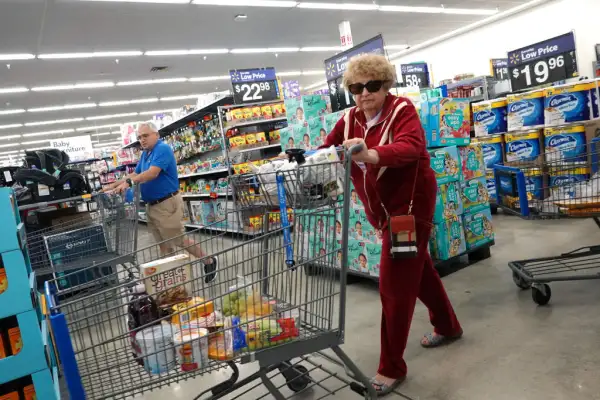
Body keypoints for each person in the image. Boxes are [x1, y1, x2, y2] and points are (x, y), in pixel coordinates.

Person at [321, 54, 462, 396]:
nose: (364, 94)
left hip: (409, 210)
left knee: (394, 285)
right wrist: (299, 156)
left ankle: (391, 367)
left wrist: (371, 154)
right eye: (356, 87)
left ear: (385, 85)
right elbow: (327, 147)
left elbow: (412, 147)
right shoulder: (350, 118)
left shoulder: (403, 111)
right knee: (419, 269)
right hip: (383, 212)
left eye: (372, 86)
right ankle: (448, 326)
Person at [106, 121, 218, 283]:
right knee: (164, 245)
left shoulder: (162, 149)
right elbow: (135, 174)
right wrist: (113, 185)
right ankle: (174, 279)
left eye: (146, 136)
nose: (142, 140)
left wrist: (129, 184)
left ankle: (208, 261)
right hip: (153, 206)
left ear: (156, 135)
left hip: (167, 203)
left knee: (179, 239)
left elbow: (152, 173)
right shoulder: (146, 154)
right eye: (140, 137)